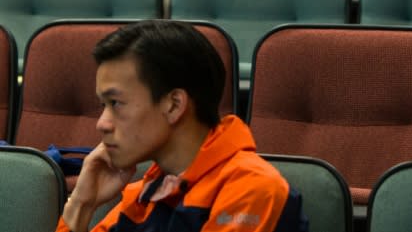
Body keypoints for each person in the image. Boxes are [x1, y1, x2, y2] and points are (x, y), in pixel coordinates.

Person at [57, 20, 307, 232]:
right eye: (103, 105)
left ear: (174, 105)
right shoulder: (148, 193)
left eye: (116, 103)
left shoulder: (253, 190)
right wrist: (82, 203)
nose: (102, 124)